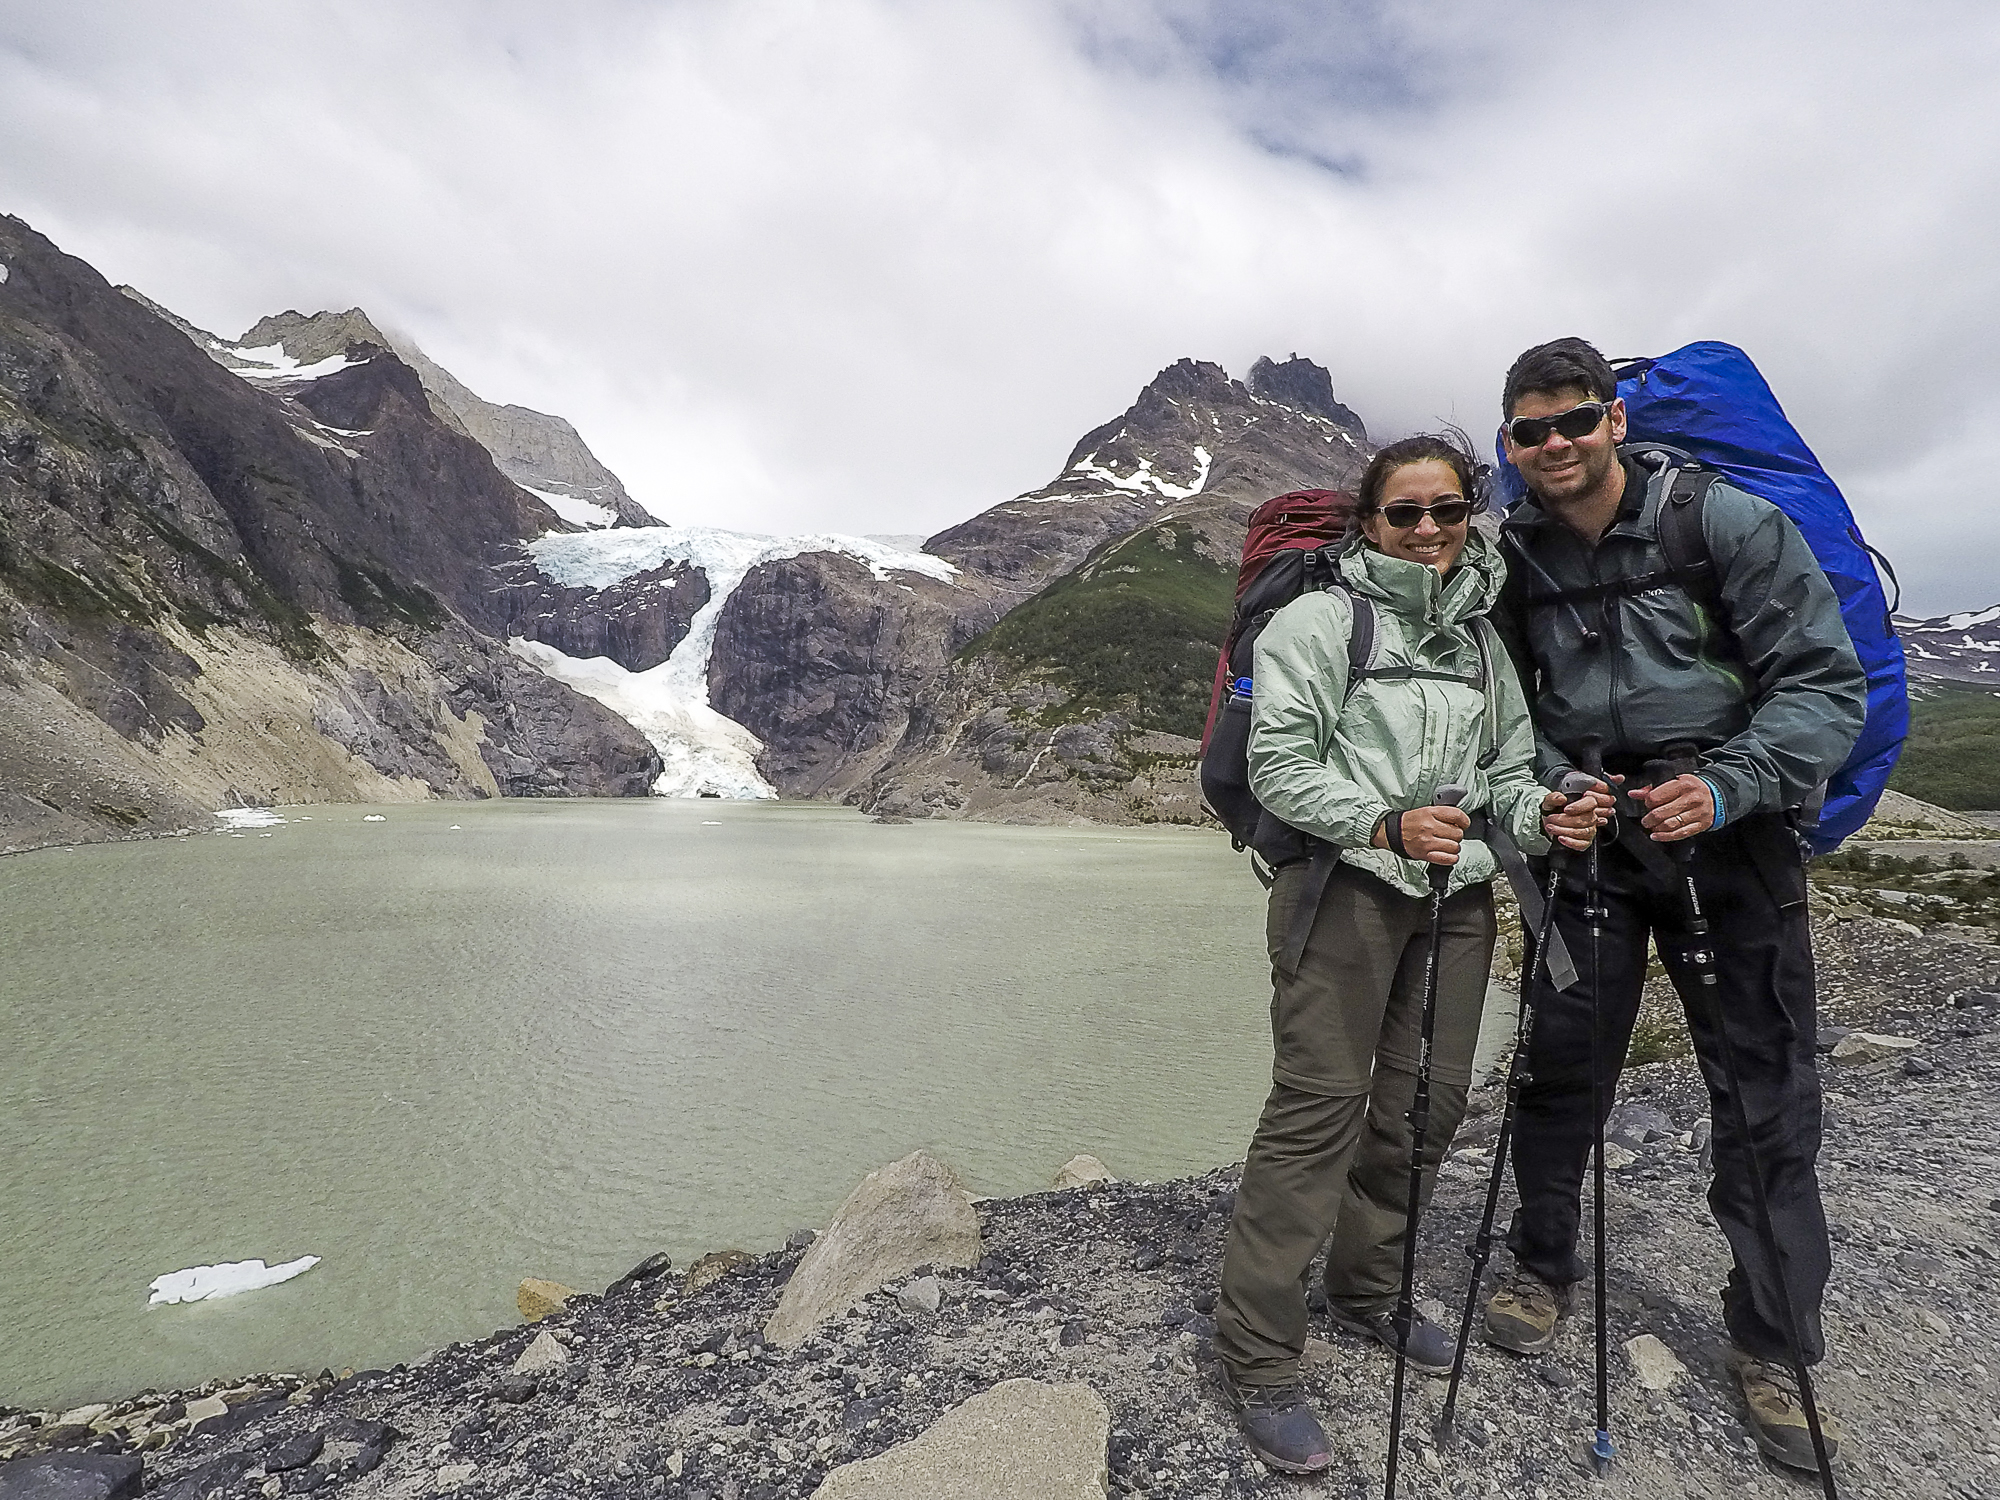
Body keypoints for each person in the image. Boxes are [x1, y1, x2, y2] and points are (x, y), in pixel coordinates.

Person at [1483, 338, 1867, 1472]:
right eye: (1529, 431)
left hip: (1728, 837)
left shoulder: (1724, 524)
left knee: (1760, 1090)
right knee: (1558, 1067)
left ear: (1611, 421)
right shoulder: (1510, 557)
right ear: (1509, 444)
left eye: (1572, 422)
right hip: (1591, 840)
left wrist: (1726, 783)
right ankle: (1540, 1259)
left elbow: (1821, 684)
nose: (1553, 445)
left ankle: (1771, 1341)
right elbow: (1506, 706)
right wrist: (1554, 785)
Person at [1209, 433, 1604, 1475]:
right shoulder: (1314, 621)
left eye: (1443, 511)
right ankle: (1257, 1356)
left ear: (1467, 513)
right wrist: (1382, 824)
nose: (1424, 530)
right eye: (1402, 513)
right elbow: (1281, 766)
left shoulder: (1481, 639)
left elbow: (1506, 772)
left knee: (1425, 1106)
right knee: (1316, 1115)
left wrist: (1544, 807)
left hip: (1458, 894)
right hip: (1339, 890)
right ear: (1367, 520)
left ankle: (1367, 1290)